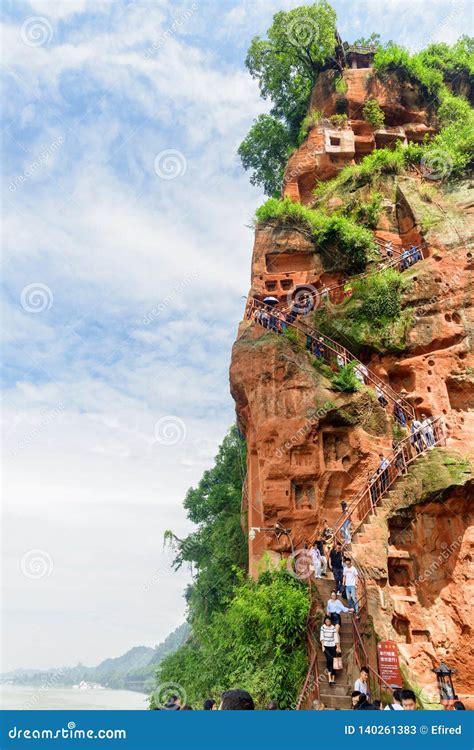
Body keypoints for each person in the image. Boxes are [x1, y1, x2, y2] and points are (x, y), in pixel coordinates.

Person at [320, 615, 340, 685]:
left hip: (333, 646)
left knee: (334, 662)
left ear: (330, 621)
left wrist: (337, 647)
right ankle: (329, 678)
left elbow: (336, 638)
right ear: (325, 621)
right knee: (329, 660)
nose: (327, 622)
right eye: (326, 621)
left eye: (328, 621)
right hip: (326, 647)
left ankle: (333, 679)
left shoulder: (333, 628)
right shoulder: (322, 627)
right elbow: (322, 637)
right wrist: (322, 646)